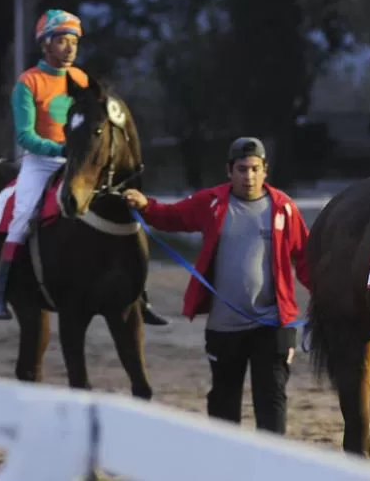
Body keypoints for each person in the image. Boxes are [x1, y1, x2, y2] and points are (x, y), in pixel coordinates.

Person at [0, 9, 168, 326]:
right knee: (22, 213)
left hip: (83, 161)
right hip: (42, 161)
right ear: (46, 45)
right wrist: (63, 149)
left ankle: (140, 295)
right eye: (62, 41)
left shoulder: (83, 80)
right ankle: (1, 292)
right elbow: (24, 136)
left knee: (125, 210)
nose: (70, 47)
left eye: (73, 41)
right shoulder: (29, 81)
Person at [122, 137, 311, 434]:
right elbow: (173, 217)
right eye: (241, 169)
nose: (248, 176)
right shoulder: (211, 203)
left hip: (273, 325)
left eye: (254, 169)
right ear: (229, 170)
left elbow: (306, 259)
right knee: (223, 404)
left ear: (265, 171)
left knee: (272, 400)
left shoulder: (284, 209)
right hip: (225, 328)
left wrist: (326, 297)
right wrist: (146, 205)